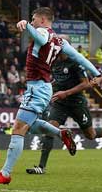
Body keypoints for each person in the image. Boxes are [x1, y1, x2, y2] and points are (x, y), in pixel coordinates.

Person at [0, 7, 102, 185]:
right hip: (43, 87)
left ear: (43, 20)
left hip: (38, 87)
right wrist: (97, 73)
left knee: (18, 129)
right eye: (30, 20)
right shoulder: (60, 41)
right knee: (28, 126)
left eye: (33, 19)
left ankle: (5, 173)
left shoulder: (42, 31)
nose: (31, 21)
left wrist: (27, 27)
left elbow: (41, 37)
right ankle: (61, 133)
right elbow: (80, 57)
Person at [26, 36, 102, 175]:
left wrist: (66, 93)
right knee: (50, 128)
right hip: (60, 103)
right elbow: (56, 79)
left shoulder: (75, 62)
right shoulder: (53, 61)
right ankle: (41, 167)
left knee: (91, 135)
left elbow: (85, 83)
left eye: (56, 44)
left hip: (76, 102)